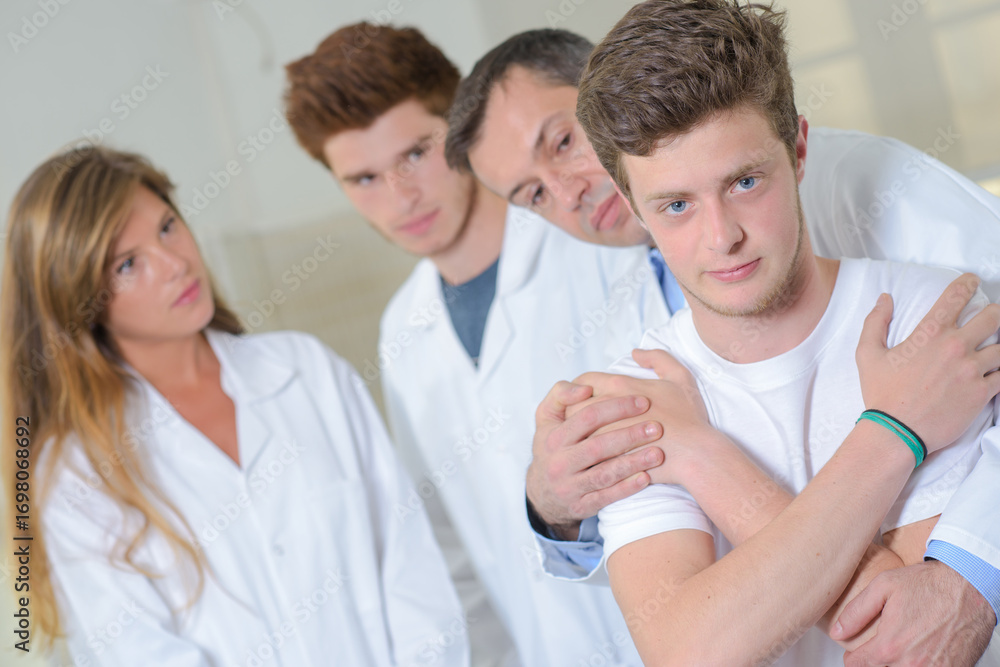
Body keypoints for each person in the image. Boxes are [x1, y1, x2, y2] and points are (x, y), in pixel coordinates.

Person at [444, 24, 1000, 664]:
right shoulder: (638, 365)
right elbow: (685, 642)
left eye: (563, 143)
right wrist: (563, 506)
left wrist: (970, 570)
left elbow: (898, 629)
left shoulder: (895, 231)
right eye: (534, 194)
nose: (722, 237)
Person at [0, 146, 467, 666]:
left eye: (167, 227)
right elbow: (140, 653)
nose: (175, 263)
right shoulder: (79, 473)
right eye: (128, 264)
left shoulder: (305, 371)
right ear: (79, 301)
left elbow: (409, 566)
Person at [283, 24, 645, 667]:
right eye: (363, 179)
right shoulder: (403, 332)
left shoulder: (596, 241)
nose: (400, 197)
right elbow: (450, 547)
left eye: (414, 154)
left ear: (457, 130)